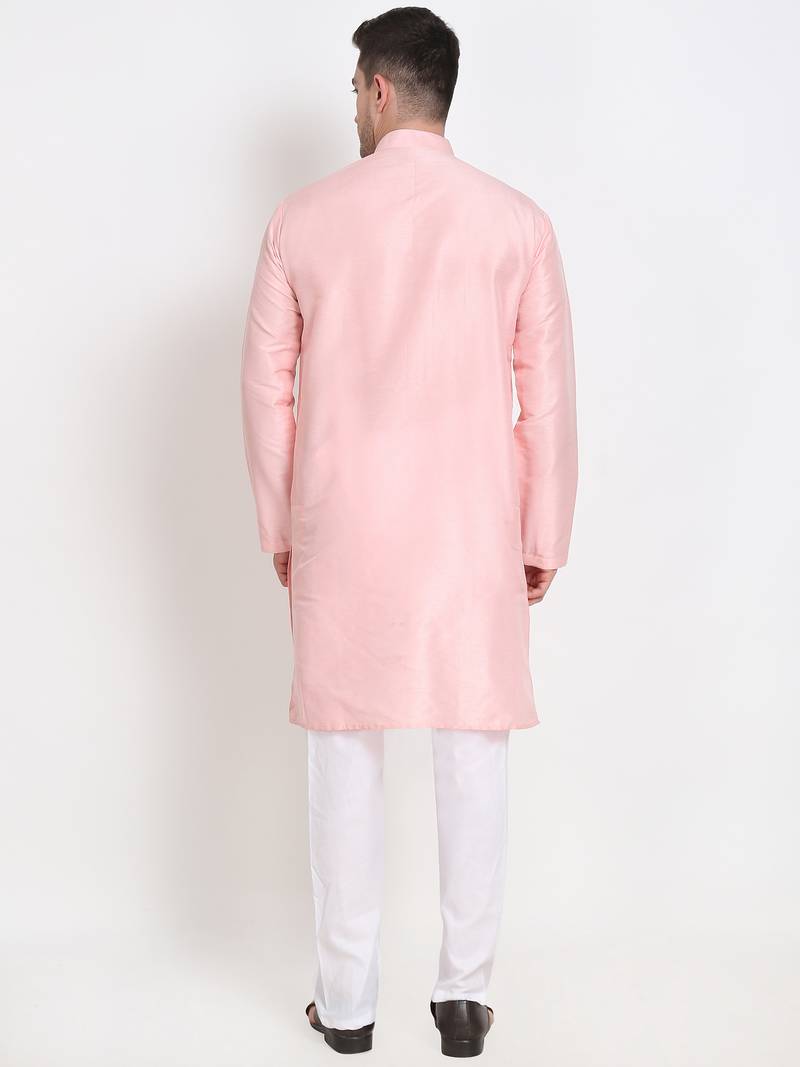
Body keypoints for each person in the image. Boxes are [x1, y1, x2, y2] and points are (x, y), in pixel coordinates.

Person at [240, 5, 578, 1057]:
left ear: (381, 90)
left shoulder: (300, 220)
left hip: (343, 525)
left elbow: (266, 392)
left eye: (354, 89)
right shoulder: (517, 224)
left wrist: (281, 524)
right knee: (472, 746)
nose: (351, 106)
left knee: (343, 755)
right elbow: (546, 399)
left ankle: (345, 1006)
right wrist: (541, 531)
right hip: (471, 527)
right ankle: (463, 997)